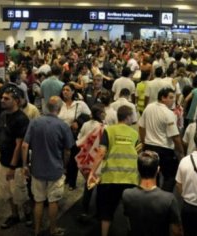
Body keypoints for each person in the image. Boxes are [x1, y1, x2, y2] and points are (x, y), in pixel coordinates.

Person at [22, 96, 75, 236]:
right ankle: (53, 229)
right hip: (55, 169)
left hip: (36, 169)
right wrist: (64, 165)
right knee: (53, 201)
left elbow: (25, 145)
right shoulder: (63, 126)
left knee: (38, 201)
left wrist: (25, 165)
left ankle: (37, 230)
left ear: (47, 107)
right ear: (59, 108)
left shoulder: (34, 122)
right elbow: (68, 150)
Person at [88, 105, 139, 236]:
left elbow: (101, 153)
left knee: (106, 211)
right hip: (130, 178)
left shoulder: (109, 130)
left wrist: (92, 172)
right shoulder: (134, 133)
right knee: (130, 211)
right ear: (128, 117)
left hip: (110, 177)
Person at [122, 151, 183, 236]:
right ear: (158, 170)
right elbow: (176, 231)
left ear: (138, 169)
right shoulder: (169, 199)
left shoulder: (127, 195)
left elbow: (129, 223)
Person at [0, 86, 32, 229]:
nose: (2, 101)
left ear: (16, 101)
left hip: (16, 165)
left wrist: (12, 167)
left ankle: (28, 214)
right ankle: (14, 215)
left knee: (20, 193)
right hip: (3, 160)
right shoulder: (3, 114)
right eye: (2, 98)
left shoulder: (21, 119)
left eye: (6, 99)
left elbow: (19, 145)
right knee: (8, 192)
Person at [139, 87, 184, 192]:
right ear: (163, 98)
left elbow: (141, 127)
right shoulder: (169, 114)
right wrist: (181, 152)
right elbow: (175, 136)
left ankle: (153, 195)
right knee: (170, 176)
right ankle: (164, 196)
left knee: (152, 175)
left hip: (149, 147)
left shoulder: (148, 107)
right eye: (171, 97)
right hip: (164, 151)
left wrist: (143, 142)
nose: (173, 100)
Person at [58, 83, 91, 190]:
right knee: (63, 158)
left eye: (68, 90)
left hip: (73, 136)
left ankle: (72, 182)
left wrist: (78, 122)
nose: (65, 92)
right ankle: (66, 177)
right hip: (60, 136)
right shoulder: (59, 104)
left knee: (73, 159)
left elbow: (90, 116)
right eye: (63, 90)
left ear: (73, 92)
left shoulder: (79, 104)